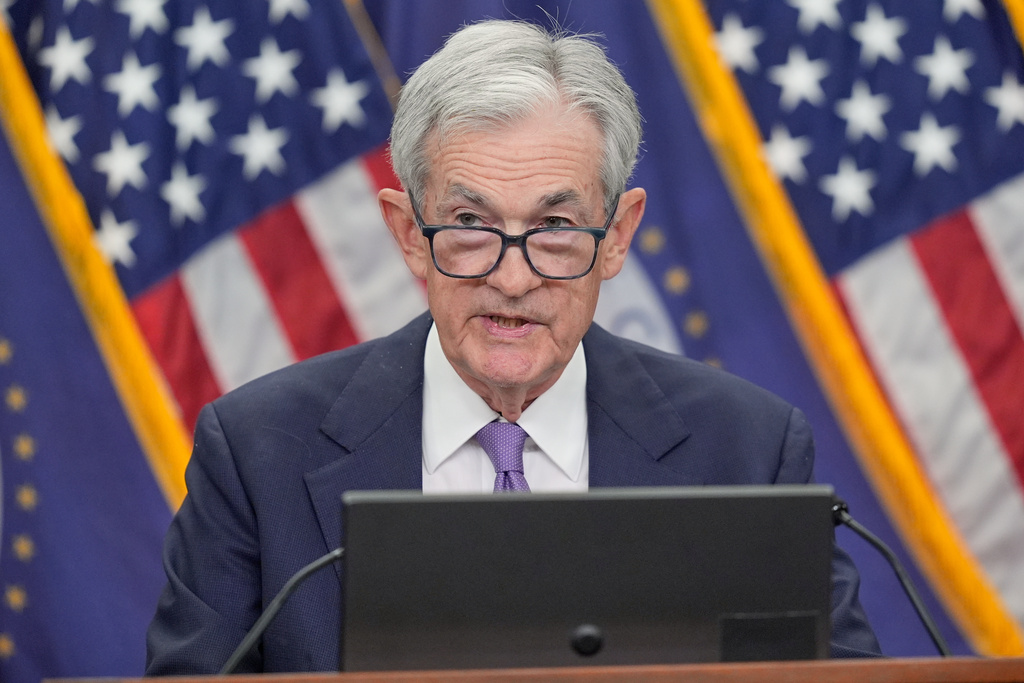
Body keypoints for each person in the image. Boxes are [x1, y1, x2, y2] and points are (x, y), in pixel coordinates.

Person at [145, 19, 881, 674]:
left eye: (556, 228)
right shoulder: (256, 452)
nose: (512, 274)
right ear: (409, 235)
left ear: (617, 236)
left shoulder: (745, 453)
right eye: (470, 221)